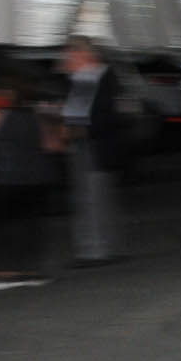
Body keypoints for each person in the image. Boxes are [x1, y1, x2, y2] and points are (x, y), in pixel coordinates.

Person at [0, 68, 60, 287]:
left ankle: (3, 272)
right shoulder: (36, 114)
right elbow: (52, 144)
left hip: (2, 180)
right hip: (34, 179)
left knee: (2, 228)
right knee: (29, 226)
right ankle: (31, 271)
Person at [59, 35, 126, 268]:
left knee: (95, 198)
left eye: (71, 55)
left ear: (84, 54)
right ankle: (91, 249)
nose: (66, 60)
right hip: (83, 144)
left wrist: (79, 129)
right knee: (86, 198)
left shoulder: (99, 78)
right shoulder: (82, 78)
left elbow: (104, 116)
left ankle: (98, 250)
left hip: (94, 145)